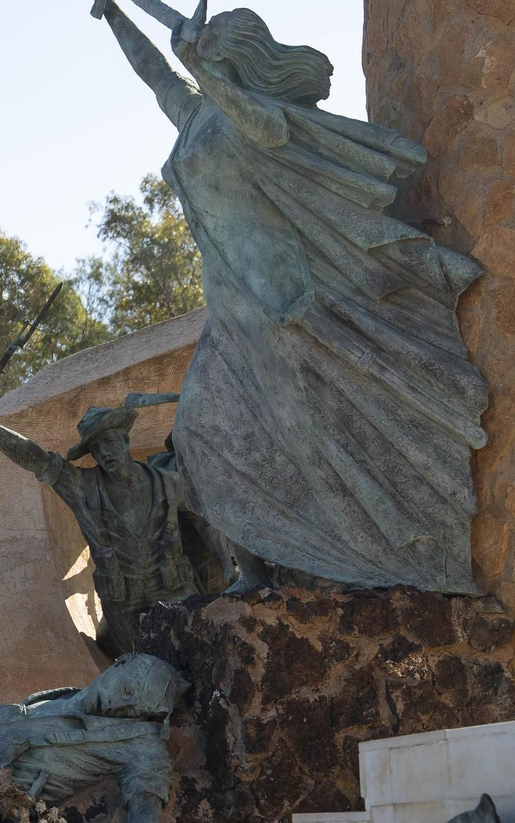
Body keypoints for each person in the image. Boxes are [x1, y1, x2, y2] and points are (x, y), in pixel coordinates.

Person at [93, 0, 487, 593]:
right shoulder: (200, 117)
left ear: (233, 55)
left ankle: (397, 555)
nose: (200, 43)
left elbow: (265, 128)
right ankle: (252, 563)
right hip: (232, 303)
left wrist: (202, 71)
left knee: (312, 441)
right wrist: (116, 15)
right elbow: (156, 78)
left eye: (212, 40)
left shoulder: (257, 117)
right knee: (200, 431)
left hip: (284, 302)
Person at [0, 400, 224, 656]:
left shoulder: (168, 482)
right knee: (143, 665)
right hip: (123, 601)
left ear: (125, 441)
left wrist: (226, 565)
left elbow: (202, 518)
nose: (104, 453)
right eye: (96, 448)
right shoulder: (83, 489)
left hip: (175, 587)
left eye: (109, 442)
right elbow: (37, 460)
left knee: (200, 652)